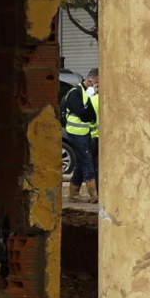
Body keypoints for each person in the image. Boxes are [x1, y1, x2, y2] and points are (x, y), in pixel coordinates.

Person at [60, 69, 100, 202]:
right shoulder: (75, 93)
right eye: (96, 84)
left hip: (83, 132)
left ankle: (73, 194)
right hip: (75, 132)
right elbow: (83, 115)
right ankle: (94, 195)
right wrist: (90, 104)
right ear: (90, 81)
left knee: (81, 162)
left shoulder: (84, 93)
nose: (97, 87)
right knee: (87, 161)